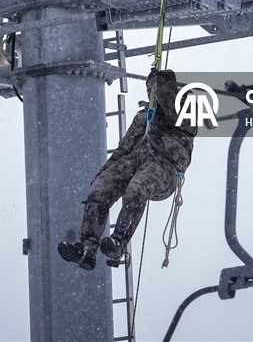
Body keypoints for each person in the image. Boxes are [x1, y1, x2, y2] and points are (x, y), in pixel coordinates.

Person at [58, 69, 194, 270]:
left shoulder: (187, 108)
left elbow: (174, 112)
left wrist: (158, 85)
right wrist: (104, 174)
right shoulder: (145, 116)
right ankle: (87, 248)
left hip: (164, 167)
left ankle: (119, 242)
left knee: (136, 189)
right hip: (137, 159)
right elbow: (124, 148)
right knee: (101, 189)